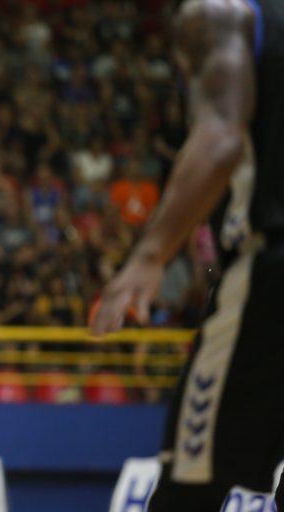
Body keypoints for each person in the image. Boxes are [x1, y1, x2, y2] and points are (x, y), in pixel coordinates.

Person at [91, 1, 284, 510]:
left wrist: (150, 253)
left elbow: (220, 138)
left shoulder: (218, 13)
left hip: (270, 273)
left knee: (189, 487)